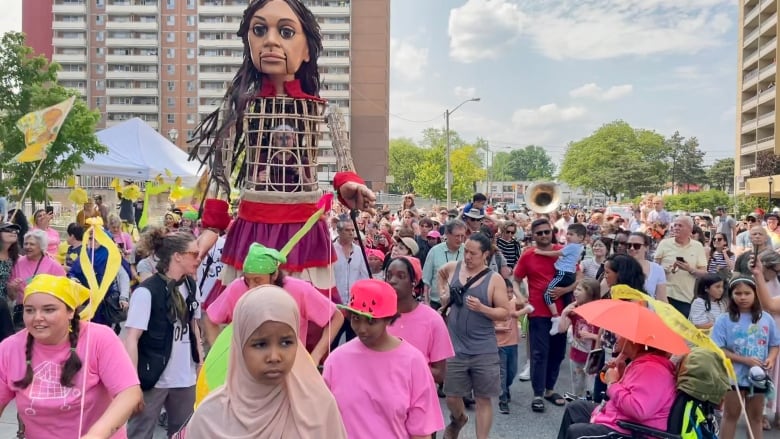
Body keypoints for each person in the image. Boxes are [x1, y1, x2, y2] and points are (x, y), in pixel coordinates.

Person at [191, 0, 375, 306]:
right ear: (249, 41)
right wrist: (211, 228)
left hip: (304, 229)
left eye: (286, 31)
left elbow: (345, 166)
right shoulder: (241, 108)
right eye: (260, 30)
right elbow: (219, 174)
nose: (271, 41)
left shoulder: (323, 109)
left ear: (306, 51)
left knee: (306, 319)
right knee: (245, 317)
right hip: (252, 227)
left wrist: (349, 185)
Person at [185, 286, 347, 438]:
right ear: (239, 347)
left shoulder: (319, 409)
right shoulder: (209, 418)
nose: (274, 356)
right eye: (260, 344)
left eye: (286, 342)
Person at [0, 274, 142, 438]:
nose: (37, 317)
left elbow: (129, 393)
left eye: (49, 309)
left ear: (70, 311)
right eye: (30, 310)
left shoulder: (99, 338)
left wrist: (95, 435)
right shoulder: (9, 348)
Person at [323, 279, 444, 438]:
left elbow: (421, 432)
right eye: (356, 318)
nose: (362, 329)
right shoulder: (336, 360)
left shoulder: (413, 362)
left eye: (371, 321)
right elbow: (323, 420)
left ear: (389, 318)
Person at [203, 243, 343, 364]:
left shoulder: (298, 289)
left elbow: (336, 317)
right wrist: (220, 358)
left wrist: (316, 355)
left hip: (291, 369)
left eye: (258, 280)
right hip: (247, 370)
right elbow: (210, 319)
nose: (251, 287)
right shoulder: (237, 288)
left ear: (274, 275)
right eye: (247, 280)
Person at [123, 232, 204, 438]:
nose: (199, 258)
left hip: (185, 377)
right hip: (153, 377)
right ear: (177, 256)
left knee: (184, 433)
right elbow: (132, 338)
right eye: (194, 254)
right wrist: (133, 384)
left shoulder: (191, 285)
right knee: (139, 433)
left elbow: (194, 327)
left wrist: (200, 364)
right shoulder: (147, 291)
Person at [437, 232, 510, 439]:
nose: (467, 256)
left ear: (485, 254)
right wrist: (443, 295)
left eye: (473, 253)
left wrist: (483, 309)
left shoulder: (494, 279)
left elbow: (504, 312)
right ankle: (459, 419)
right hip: (455, 347)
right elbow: (440, 274)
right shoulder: (454, 268)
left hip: (483, 349)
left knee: (483, 399)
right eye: (465, 251)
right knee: (451, 396)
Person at [556, 334, 677, 439]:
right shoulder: (642, 363)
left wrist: (613, 384)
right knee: (575, 409)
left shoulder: (653, 370)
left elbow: (638, 410)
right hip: (622, 419)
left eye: (622, 334)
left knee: (577, 432)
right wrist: (620, 377)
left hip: (634, 430)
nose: (616, 336)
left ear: (634, 341)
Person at [514, 218, 577, 412]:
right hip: (538, 313)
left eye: (546, 232)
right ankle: (538, 394)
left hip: (563, 311)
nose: (543, 235)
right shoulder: (528, 255)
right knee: (539, 354)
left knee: (558, 354)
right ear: (533, 235)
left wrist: (565, 289)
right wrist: (521, 297)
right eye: (539, 233)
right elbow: (515, 279)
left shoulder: (564, 251)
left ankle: (550, 390)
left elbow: (579, 278)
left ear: (552, 232)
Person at [712, 274, 780, 439]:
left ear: (755, 294)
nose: (742, 297)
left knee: (756, 417)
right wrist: (744, 360)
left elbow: (774, 344)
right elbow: (718, 349)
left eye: (747, 293)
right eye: (738, 293)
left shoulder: (766, 319)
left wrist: (771, 358)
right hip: (733, 377)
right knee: (730, 415)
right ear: (731, 295)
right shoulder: (723, 320)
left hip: (759, 377)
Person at [386, 256, 454, 397]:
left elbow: (440, 374)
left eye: (401, 276)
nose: (392, 281)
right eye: (389, 275)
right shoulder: (377, 318)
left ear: (414, 282)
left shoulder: (433, 320)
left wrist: (401, 366)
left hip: (419, 400)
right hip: (382, 401)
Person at [534, 223, 586, 332]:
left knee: (547, 294)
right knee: (568, 299)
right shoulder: (576, 246)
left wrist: (541, 252)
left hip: (563, 273)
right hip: (567, 273)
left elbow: (558, 253)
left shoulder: (572, 246)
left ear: (580, 237)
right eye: (567, 234)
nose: (568, 236)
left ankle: (555, 317)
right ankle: (570, 323)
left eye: (571, 234)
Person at [556, 278, 601, 401]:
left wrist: (591, 336)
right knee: (576, 386)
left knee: (591, 389)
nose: (575, 292)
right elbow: (561, 329)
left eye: (579, 289)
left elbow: (606, 338)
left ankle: (589, 409)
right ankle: (576, 407)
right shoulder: (575, 309)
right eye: (575, 289)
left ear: (590, 293)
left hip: (592, 357)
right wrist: (564, 313)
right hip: (576, 355)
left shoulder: (599, 312)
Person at [654, 216, 707, 318]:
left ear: (690, 229)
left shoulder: (698, 246)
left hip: (684, 297)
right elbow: (655, 268)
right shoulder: (664, 243)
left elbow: (704, 273)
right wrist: (665, 270)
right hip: (663, 295)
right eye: (675, 225)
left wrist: (689, 269)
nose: (676, 228)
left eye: (680, 225)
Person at [495, 279, 532, 414]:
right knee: (503, 373)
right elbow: (487, 326)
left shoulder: (513, 303)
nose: (509, 294)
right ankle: (503, 399)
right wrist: (498, 329)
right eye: (506, 292)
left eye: (511, 291)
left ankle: (506, 388)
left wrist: (518, 313)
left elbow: (530, 307)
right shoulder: (494, 305)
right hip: (499, 345)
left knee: (512, 371)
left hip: (513, 343)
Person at [8, 230, 66, 304]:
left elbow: (63, 291)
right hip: (22, 307)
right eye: (26, 244)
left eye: (32, 244)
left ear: (41, 246)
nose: (27, 247)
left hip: (45, 308)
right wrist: (12, 288)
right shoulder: (18, 263)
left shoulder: (53, 265)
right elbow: (12, 297)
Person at [422, 219, 466, 309]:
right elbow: (426, 280)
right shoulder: (435, 251)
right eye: (457, 236)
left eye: (462, 236)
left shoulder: (467, 251)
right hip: (436, 304)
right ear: (447, 234)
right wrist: (426, 302)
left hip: (459, 305)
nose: (460, 239)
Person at [626, 232, 667, 301]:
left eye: (637, 246)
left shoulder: (657, 269)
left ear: (646, 248)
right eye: (629, 245)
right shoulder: (618, 266)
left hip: (647, 310)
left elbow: (662, 299)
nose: (632, 248)